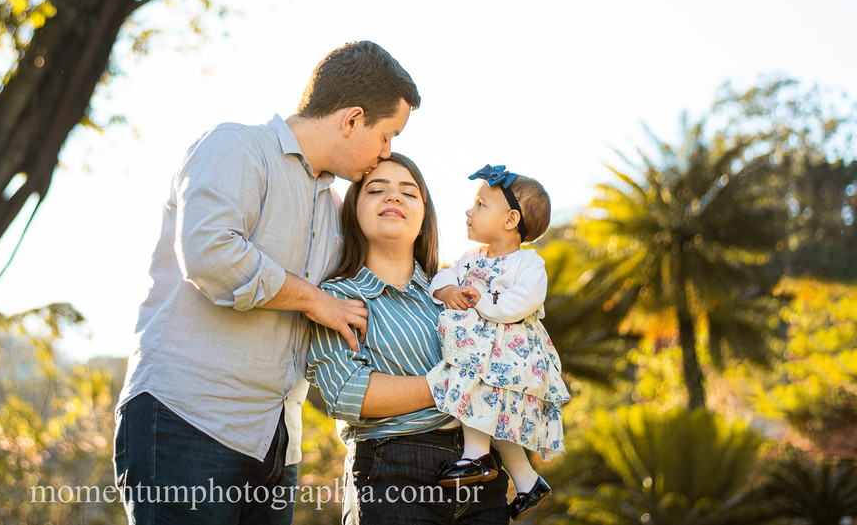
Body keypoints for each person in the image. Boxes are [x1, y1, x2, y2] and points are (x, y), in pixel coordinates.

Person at [114, 41, 421, 525]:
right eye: (387, 136)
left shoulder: (334, 209)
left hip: (277, 443)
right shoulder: (236, 146)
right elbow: (210, 253)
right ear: (352, 119)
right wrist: (313, 300)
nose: (387, 153)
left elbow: (376, 281)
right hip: (187, 421)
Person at [307, 153, 511, 525]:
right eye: (377, 190)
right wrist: (454, 382)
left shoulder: (458, 290)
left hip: (482, 472)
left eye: (408, 192)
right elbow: (347, 392)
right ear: (353, 210)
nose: (394, 198)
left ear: (424, 215)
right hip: (393, 473)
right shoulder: (334, 297)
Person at [427, 165, 569, 521]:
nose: (468, 211)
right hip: (487, 352)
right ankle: (526, 481)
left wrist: (483, 303)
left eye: (480, 204)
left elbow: (522, 301)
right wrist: (449, 290)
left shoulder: (528, 263)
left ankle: (475, 455)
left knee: (481, 393)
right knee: (497, 415)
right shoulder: (471, 259)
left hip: (512, 354)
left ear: (510, 219)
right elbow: (445, 274)